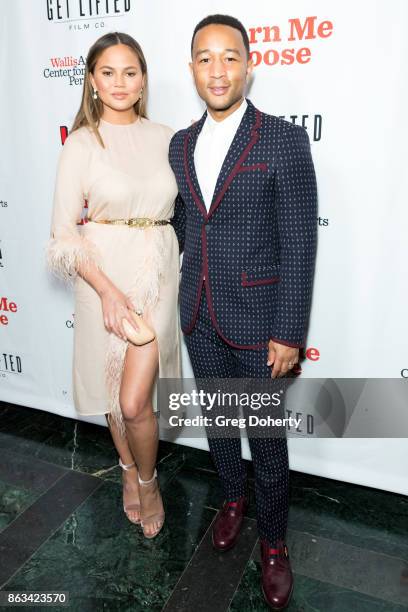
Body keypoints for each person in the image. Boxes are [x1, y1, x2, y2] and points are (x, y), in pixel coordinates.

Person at [169, 14, 317, 609]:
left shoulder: (281, 138)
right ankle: (232, 500)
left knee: (267, 438)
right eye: (205, 58)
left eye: (229, 57)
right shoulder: (180, 143)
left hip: (260, 323)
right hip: (199, 314)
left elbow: (300, 241)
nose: (218, 69)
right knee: (221, 424)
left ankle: (275, 544)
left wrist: (288, 332)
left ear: (250, 65)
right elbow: (186, 224)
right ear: (192, 70)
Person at [47, 32, 181, 539]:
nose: (121, 82)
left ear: (143, 79)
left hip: (159, 271)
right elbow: (63, 234)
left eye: (131, 72)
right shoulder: (83, 143)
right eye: (109, 72)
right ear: (93, 82)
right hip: (102, 272)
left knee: (134, 402)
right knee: (111, 388)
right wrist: (105, 290)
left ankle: (149, 480)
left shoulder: (169, 136)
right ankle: (129, 471)